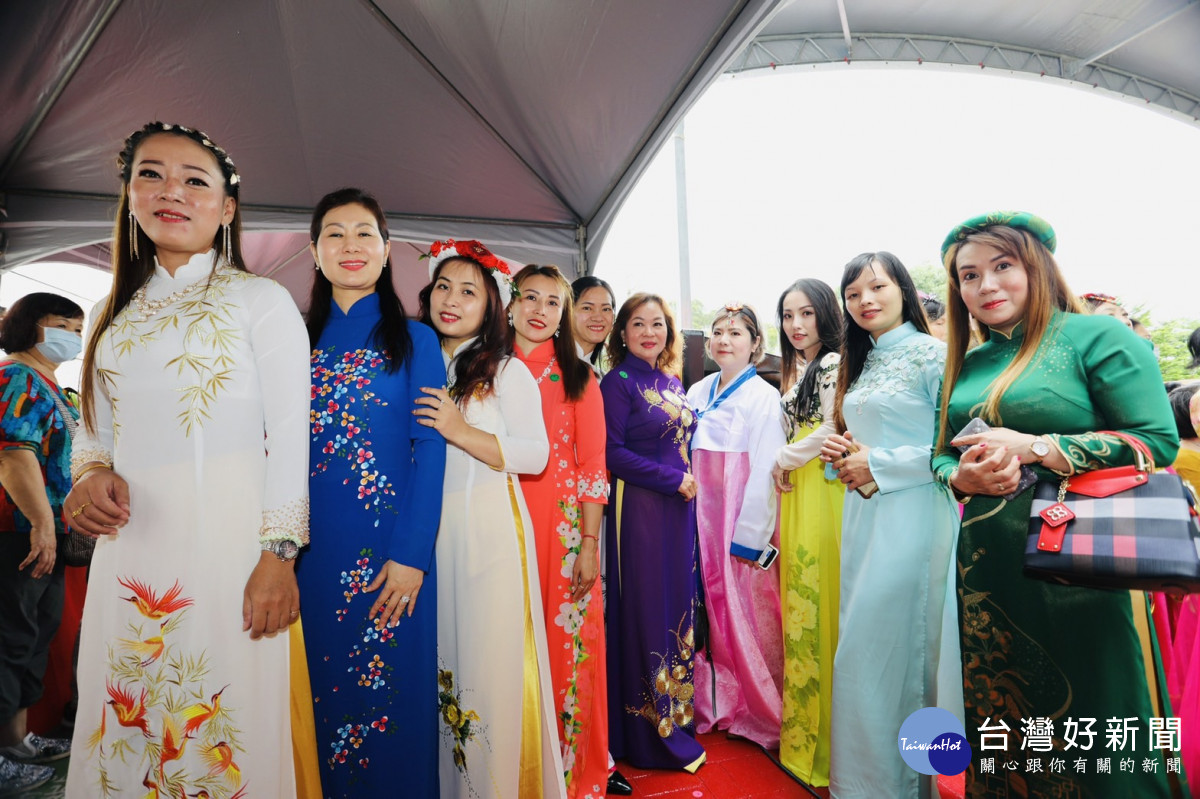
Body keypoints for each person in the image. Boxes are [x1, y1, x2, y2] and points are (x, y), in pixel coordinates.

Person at [62, 122, 316, 798]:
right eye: (151, 174)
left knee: (225, 722)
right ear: (129, 194)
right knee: (127, 719)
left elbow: (293, 437)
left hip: (234, 553)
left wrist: (279, 554)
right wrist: (87, 476)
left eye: (194, 179)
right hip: (130, 553)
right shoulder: (105, 313)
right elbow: (93, 434)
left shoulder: (262, 302)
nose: (170, 190)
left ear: (227, 207)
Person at [933, 211, 1181, 797]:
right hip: (989, 571)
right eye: (969, 276)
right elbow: (940, 456)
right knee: (1006, 714)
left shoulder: (1098, 336)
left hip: (1085, 566)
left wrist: (1040, 447)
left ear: (1036, 266)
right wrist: (962, 478)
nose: (986, 286)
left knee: (1100, 716)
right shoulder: (968, 361)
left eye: (1002, 266)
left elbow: (1155, 440)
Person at [298, 188, 446, 797]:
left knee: (393, 696)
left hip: (392, 552)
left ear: (387, 252)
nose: (350, 246)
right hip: (306, 551)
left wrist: (412, 555)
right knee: (315, 694)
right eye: (335, 233)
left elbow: (431, 448)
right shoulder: (290, 339)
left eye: (365, 234)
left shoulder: (417, 340)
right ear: (314, 251)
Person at [414, 240, 563, 798]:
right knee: (442, 666)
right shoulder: (422, 361)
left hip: (489, 536)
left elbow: (535, 454)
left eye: (468, 291)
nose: (451, 300)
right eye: (444, 287)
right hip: (431, 539)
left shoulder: (506, 370)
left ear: (491, 306)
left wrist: (460, 430)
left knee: (488, 669)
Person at [819, 252, 960, 799]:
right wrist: (844, 452)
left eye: (876, 287)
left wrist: (877, 464)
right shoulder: (864, 359)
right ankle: (870, 785)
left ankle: (907, 786)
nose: (865, 301)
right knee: (870, 653)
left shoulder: (935, 355)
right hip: (865, 518)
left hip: (915, 516)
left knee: (899, 654)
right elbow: (873, 435)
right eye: (853, 294)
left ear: (903, 288)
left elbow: (956, 441)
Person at [509, 264, 609, 798]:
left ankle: (569, 772)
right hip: (497, 520)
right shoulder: (485, 369)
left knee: (563, 647)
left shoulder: (579, 377)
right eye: (529, 297)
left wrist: (589, 545)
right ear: (510, 304)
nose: (540, 310)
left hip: (564, 529)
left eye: (552, 301)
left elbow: (595, 466)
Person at [601, 293, 705, 773]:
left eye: (658, 324)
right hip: (641, 507)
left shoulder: (671, 379)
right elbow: (612, 452)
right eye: (638, 324)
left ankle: (676, 715)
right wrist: (672, 480)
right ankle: (646, 732)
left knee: (675, 607)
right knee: (645, 608)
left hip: (678, 512)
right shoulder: (616, 382)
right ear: (621, 332)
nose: (649, 332)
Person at [685, 304, 784, 748]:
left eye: (736, 333)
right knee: (704, 606)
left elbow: (766, 468)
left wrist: (751, 534)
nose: (724, 340)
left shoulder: (763, 397)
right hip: (695, 510)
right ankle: (715, 700)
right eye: (718, 332)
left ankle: (754, 704)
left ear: (755, 344)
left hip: (734, 512)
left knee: (741, 608)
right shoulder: (698, 389)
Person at [0, 293, 84, 794]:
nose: (71, 336)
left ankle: (18, 740)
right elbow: (13, 456)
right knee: (10, 639)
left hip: (47, 533)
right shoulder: (17, 378)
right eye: (60, 325)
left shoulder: (55, 386)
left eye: (77, 327)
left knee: (33, 638)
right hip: (21, 533)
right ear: (30, 326)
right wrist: (40, 524)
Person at [770, 279, 844, 787]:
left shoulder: (835, 363)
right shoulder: (801, 366)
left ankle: (829, 749)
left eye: (807, 314)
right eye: (788, 315)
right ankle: (805, 740)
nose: (797, 325)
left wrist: (781, 458)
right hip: (804, 486)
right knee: (801, 603)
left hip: (824, 484)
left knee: (818, 601)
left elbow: (831, 428)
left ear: (826, 315)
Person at [570, 276, 616, 377]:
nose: (598, 318)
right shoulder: (548, 366)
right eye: (587, 308)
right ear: (568, 311)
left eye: (606, 309)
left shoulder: (601, 379)